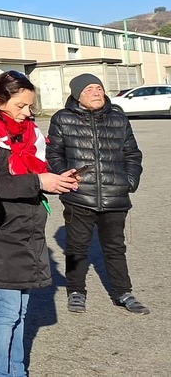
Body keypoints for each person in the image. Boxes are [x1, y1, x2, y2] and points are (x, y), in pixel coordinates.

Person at [0, 72, 78, 377]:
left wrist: (56, 180)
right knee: (4, 312)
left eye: (30, 106)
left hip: (25, 232)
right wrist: (39, 181)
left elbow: (32, 175)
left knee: (19, 312)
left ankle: (16, 371)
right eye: (21, 106)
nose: (28, 113)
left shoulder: (27, 133)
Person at [46, 73, 148, 315]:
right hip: (79, 195)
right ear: (77, 95)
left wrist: (129, 182)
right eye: (89, 89)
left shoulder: (118, 118)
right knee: (76, 247)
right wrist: (65, 177)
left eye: (99, 88)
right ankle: (76, 291)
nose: (96, 93)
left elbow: (133, 154)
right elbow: (54, 154)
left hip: (115, 196)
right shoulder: (62, 118)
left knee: (115, 247)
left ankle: (123, 292)